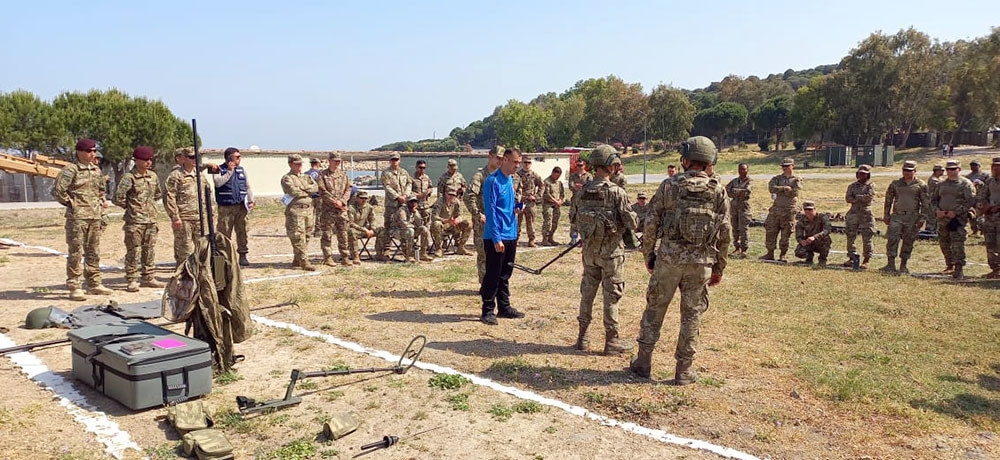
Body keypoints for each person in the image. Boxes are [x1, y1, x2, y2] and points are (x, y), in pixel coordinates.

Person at [630, 136, 730, 384]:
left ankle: (643, 363)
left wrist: (649, 256)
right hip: (701, 263)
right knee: (691, 315)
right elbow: (726, 232)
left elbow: (651, 222)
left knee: (654, 310)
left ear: (685, 160)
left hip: (668, 261)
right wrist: (719, 267)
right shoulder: (718, 190)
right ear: (710, 161)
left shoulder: (669, 186)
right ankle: (684, 370)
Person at [570, 145, 638, 354]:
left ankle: (582, 338)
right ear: (611, 166)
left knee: (587, 293)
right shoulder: (616, 192)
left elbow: (573, 219)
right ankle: (611, 341)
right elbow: (632, 222)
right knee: (611, 296)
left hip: (589, 252)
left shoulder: (582, 192)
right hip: (611, 254)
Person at [52, 139, 114, 300]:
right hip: (77, 218)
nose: (92, 153)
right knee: (76, 252)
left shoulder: (96, 170)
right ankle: (75, 286)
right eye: (88, 151)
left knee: (93, 251)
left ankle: (94, 283)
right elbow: (58, 191)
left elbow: (101, 190)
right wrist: (72, 204)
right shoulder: (71, 170)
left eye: (94, 150)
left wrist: (100, 206)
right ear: (79, 152)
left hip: (94, 217)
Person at [480, 147, 525, 325]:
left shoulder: (510, 181)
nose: (517, 166)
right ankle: (487, 310)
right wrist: (496, 238)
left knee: (505, 273)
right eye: (515, 162)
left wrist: (517, 208)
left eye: (519, 162)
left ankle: (504, 307)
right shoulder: (492, 181)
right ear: (505, 160)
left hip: (510, 233)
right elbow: (490, 211)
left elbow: (506, 206)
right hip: (496, 235)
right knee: (493, 273)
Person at [112, 146, 164, 292]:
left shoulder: (152, 176)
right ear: (137, 160)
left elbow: (157, 194)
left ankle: (148, 277)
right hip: (135, 222)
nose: (149, 162)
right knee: (134, 251)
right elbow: (117, 198)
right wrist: (132, 208)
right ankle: (132, 279)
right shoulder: (129, 178)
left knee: (149, 249)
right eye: (145, 160)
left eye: (150, 159)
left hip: (151, 220)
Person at [164, 147, 216, 267]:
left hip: (201, 218)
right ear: (184, 159)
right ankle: (184, 274)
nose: (195, 160)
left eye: (197, 157)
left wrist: (212, 213)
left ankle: (201, 273)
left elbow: (208, 193)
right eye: (192, 157)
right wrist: (175, 217)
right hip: (184, 219)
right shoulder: (176, 176)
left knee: (203, 248)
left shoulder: (199, 175)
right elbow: (169, 197)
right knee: (185, 250)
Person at [464, 147, 503, 283]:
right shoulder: (480, 176)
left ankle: (496, 284)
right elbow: (468, 196)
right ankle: (485, 285)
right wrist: (477, 214)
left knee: (499, 253)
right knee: (484, 254)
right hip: (484, 222)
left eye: (502, 159)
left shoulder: (502, 176)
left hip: (499, 221)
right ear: (490, 156)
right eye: (498, 158)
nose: (500, 161)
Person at [882, 160, 927, 274]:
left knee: (908, 241)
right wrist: (886, 214)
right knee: (892, 239)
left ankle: (903, 265)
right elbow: (888, 200)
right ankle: (890, 264)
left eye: (909, 171)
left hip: (912, 217)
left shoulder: (921, 185)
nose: (907, 173)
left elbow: (926, 203)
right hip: (897, 216)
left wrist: (922, 218)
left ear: (915, 171)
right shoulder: (895, 184)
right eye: (905, 170)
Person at [933, 160, 976, 279]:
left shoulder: (965, 184)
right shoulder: (941, 184)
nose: (950, 171)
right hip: (943, 218)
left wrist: (956, 212)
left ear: (959, 169)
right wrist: (937, 211)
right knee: (944, 242)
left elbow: (970, 201)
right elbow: (933, 200)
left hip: (957, 220)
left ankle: (959, 268)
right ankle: (949, 265)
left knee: (957, 244)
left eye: (953, 169)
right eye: (948, 169)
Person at [214, 147, 255, 267]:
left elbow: (247, 186)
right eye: (237, 157)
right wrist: (229, 171)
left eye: (240, 156)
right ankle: (224, 257)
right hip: (226, 207)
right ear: (229, 158)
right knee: (224, 233)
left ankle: (243, 255)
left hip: (241, 206)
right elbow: (218, 183)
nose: (239, 159)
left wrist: (251, 200)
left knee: (242, 231)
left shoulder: (241, 170)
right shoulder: (218, 169)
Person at [281, 154, 319, 270]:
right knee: (298, 236)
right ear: (290, 164)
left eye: (300, 164)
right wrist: (307, 190)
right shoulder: (287, 178)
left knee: (307, 235)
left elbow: (315, 188)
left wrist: (304, 189)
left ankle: (297, 258)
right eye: (297, 164)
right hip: (296, 210)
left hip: (309, 209)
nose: (299, 166)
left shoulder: (307, 177)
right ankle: (304, 261)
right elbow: (293, 192)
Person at [761, 158, 802, 262]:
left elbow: (794, 193)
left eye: (787, 166)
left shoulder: (796, 179)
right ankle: (770, 253)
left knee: (786, 233)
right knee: (771, 231)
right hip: (776, 209)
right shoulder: (777, 178)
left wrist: (780, 190)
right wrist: (784, 188)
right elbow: (771, 188)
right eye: (783, 166)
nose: (784, 168)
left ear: (792, 166)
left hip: (789, 210)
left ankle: (783, 255)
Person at [317, 152, 352, 266]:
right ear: (329, 161)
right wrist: (335, 202)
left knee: (343, 234)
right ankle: (328, 257)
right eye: (335, 161)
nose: (337, 163)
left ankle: (345, 257)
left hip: (341, 209)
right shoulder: (323, 175)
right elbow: (322, 191)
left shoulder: (343, 174)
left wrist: (342, 201)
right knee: (327, 235)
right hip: (328, 210)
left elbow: (348, 189)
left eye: (339, 161)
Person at [378, 153, 413, 260]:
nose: (394, 161)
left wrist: (406, 195)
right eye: (393, 159)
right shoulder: (386, 173)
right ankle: (386, 250)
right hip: (391, 205)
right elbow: (387, 187)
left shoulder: (404, 172)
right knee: (388, 226)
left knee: (403, 225)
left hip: (403, 204)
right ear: (390, 161)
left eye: (396, 159)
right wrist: (397, 197)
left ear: (399, 160)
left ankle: (406, 251)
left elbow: (409, 183)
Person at [842, 165, 876, 269]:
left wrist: (856, 197)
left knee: (867, 237)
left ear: (868, 175)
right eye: (860, 173)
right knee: (850, 236)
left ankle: (866, 260)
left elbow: (869, 197)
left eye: (864, 174)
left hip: (866, 214)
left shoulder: (871, 186)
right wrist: (860, 198)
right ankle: (852, 258)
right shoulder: (852, 186)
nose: (861, 176)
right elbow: (848, 198)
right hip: (853, 213)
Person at [430, 188, 471, 257]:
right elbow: (433, 217)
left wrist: (457, 219)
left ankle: (461, 247)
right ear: (445, 194)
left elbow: (459, 215)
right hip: (441, 226)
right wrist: (446, 220)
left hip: (452, 226)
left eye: (454, 195)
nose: (451, 196)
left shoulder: (456, 202)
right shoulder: (440, 201)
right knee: (436, 223)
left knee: (468, 223)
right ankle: (439, 249)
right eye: (449, 194)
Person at [391, 195, 431, 263]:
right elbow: (404, 224)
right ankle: (409, 256)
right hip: (397, 231)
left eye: (415, 202)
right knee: (410, 231)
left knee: (424, 229)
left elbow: (420, 224)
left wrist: (415, 213)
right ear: (407, 203)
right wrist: (413, 226)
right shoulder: (402, 210)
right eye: (411, 202)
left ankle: (423, 253)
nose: (413, 204)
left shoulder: (414, 210)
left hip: (408, 231)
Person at [978, 157, 1000, 279]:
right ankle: (995, 269)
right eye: (994, 166)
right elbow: (982, 196)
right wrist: (985, 206)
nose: (995, 168)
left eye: (998, 166)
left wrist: (997, 207)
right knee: (990, 244)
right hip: (990, 217)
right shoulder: (990, 181)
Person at [725, 163, 752, 258]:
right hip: (734, 207)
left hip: (744, 207)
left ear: (747, 170)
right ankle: (737, 247)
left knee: (743, 228)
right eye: (740, 169)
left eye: (744, 169)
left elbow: (747, 192)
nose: (742, 171)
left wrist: (735, 191)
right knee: (735, 227)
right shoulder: (735, 181)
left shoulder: (749, 181)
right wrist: (738, 192)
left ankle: (744, 249)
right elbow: (727, 190)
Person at [516, 156, 544, 247]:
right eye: (525, 162)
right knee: (517, 222)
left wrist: (536, 196)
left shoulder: (534, 175)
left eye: (529, 162)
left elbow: (542, 185)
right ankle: (515, 239)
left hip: (530, 201)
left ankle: (531, 240)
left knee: (530, 222)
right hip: (520, 201)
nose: (527, 164)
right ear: (522, 163)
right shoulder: (517, 175)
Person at [794, 201, 831, 266]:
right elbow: (798, 234)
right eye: (806, 209)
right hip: (809, 242)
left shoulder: (822, 217)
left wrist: (814, 237)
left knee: (826, 239)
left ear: (815, 209)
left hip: (820, 241)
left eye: (810, 209)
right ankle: (809, 258)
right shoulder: (802, 220)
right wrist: (802, 241)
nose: (808, 211)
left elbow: (827, 230)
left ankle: (822, 260)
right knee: (799, 252)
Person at [347, 190, 381, 264]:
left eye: (366, 198)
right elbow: (351, 223)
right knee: (351, 231)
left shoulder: (369, 207)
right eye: (361, 198)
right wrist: (365, 230)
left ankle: (380, 254)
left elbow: (373, 219)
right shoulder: (351, 208)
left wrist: (372, 229)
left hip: (366, 230)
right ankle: (355, 256)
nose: (364, 200)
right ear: (356, 198)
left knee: (382, 230)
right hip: (356, 230)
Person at [568, 158, 593, 245]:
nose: (579, 167)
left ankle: (583, 239)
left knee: (584, 220)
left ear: (584, 166)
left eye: (581, 165)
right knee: (573, 219)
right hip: (575, 201)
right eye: (578, 165)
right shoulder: (572, 176)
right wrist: (577, 187)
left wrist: (581, 187)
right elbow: (571, 186)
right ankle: (574, 238)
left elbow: (590, 187)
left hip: (584, 201)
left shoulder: (589, 176)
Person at [541, 167, 567, 246]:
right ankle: (545, 239)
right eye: (556, 175)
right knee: (548, 221)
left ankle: (551, 237)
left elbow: (562, 193)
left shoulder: (559, 183)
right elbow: (546, 194)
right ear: (553, 173)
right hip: (548, 205)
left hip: (556, 205)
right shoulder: (547, 182)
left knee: (555, 222)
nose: (557, 177)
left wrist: (561, 200)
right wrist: (555, 201)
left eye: (559, 176)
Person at [967, 160, 989, 236]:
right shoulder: (968, 176)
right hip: (972, 198)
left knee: (980, 216)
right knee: (971, 215)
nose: (973, 167)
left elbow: (989, 185)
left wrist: (981, 183)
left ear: (979, 166)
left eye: (975, 165)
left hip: (981, 198)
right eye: (972, 165)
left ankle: (983, 230)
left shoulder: (985, 175)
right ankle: (974, 230)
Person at [412, 159, 435, 225]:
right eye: (420, 167)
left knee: (427, 224)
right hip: (416, 206)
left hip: (425, 206)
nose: (422, 169)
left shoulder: (427, 177)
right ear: (416, 167)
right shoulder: (412, 178)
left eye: (424, 168)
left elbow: (430, 187)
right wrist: (417, 195)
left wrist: (429, 191)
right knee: (417, 225)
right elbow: (408, 191)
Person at [925, 164, 945, 231]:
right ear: (936, 171)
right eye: (942, 170)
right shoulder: (933, 180)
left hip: (938, 202)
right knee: (932, 219)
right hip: (932, 202)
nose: (943, 172)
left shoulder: (940, 179)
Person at [307, 157, 323, 237]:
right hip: (319, 196)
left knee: (309, 214)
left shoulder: (306, 174)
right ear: (318, 164)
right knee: (319, 214)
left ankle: (308, 231)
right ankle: (318, 231)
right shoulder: (321, 174)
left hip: (309, 196)